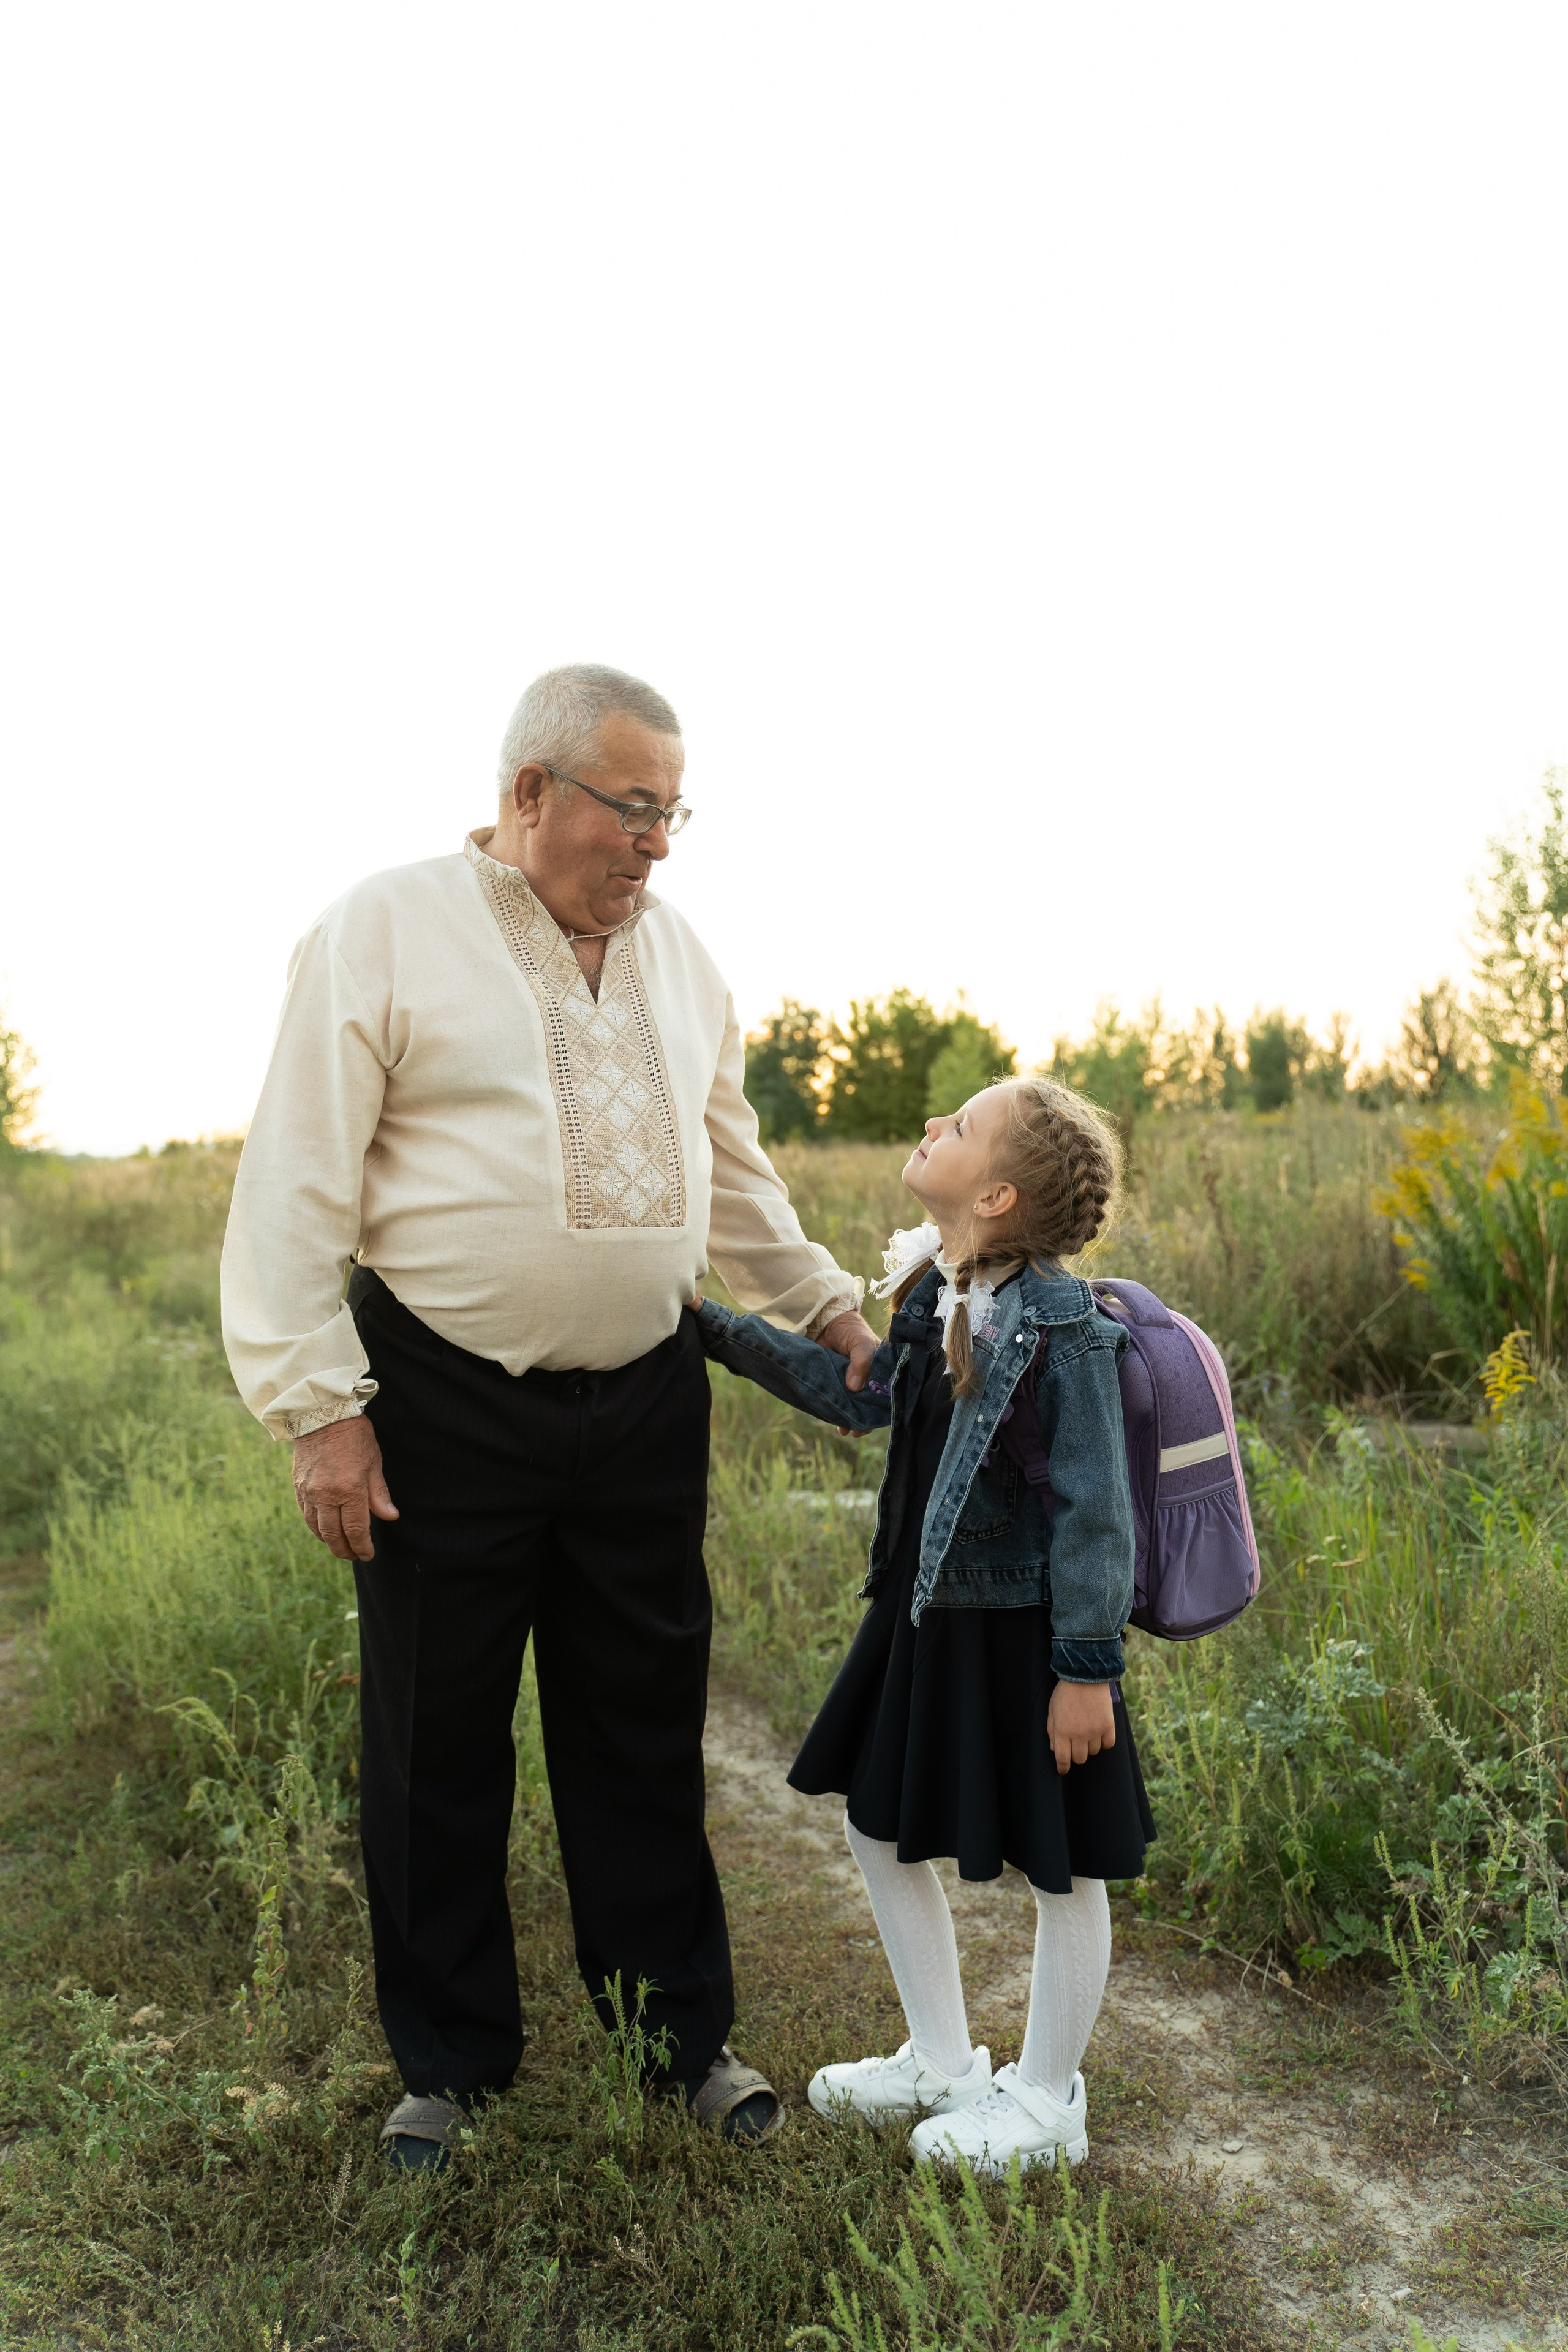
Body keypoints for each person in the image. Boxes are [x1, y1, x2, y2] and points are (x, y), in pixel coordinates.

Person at [221, 663, 878, 2168]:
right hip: (441, 1398)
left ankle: (677, 2042)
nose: (655, 846)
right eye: (632, 810)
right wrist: (322, 1410)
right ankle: (449, 2066)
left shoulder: (682, 955)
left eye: (672, 815)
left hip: (644, 1399)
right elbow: (293, 1187)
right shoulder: (382, 927)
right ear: (531, 794)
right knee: (436, 1733)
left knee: (641, 1727)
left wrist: (831, 1309)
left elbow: (736, 1167)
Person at [692, 1075, 1153, 2176]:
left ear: (994, 1193)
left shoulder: (1063, 1326)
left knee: (1065, 1864)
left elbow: (1098, 1515)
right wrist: (705, 1324)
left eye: (962, 1125)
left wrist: (1086, 1670)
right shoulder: (928, 1292)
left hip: (1028, 1634)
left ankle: (1046, 2101)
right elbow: (863, 1398)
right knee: (876, 1824)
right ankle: (945, 2061)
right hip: (924, 1616)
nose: (933, 1124)